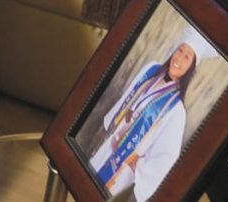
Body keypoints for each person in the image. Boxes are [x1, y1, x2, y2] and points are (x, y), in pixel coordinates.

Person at [87, 27, 216, 201]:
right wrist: (115, 124)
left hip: (121, 169)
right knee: (84, 184)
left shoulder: (176, 111)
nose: (179, 58)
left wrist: (137, 165)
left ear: (190, 69)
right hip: (109, 145)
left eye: (187, 57)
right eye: (180, 50)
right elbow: (128, 99)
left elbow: (166, 158)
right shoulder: (151, 69)